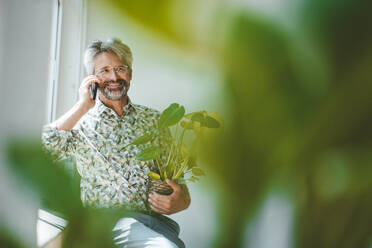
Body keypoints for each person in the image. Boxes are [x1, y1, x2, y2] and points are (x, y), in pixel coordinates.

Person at [42, 38, 190, 248]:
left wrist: (179, 201)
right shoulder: (80, 123)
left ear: (130, 73)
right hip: (106, 224)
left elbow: (181, 188)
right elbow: (44, 147)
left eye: (120, 68)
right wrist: (82, 106)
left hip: (153, 224)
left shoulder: (156, 121)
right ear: (92, 78)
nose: (114, 77)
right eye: (104, 70)